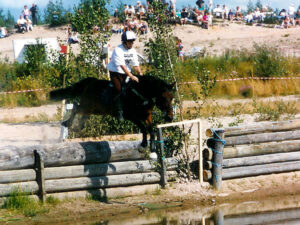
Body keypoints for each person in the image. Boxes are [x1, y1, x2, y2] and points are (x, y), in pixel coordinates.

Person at [107, 31, 143, 121]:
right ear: (125, 42)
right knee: (119, 89)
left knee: (134, 88)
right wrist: (131, 76)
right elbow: (122, 66)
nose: (132, 43)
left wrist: (140, 74)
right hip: (115, 72)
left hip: (126, 72)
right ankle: (119, 111)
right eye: (130, 41)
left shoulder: (133, 51)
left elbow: (135, 65)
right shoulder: (118, 50)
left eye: (132, 41)